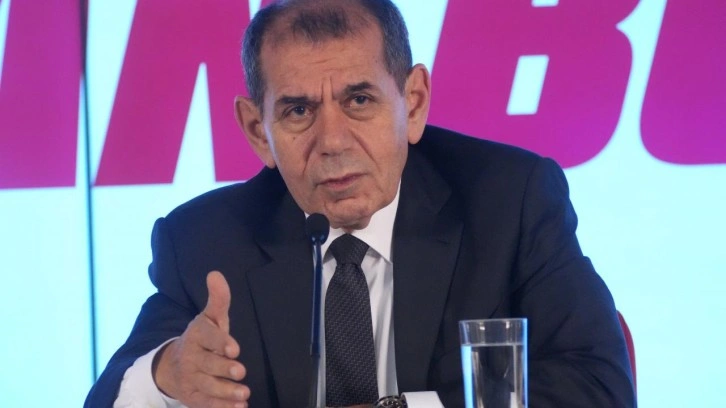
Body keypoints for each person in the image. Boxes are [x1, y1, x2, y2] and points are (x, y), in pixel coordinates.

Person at [85, 0, 636, 407]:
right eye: (298, 111)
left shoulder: (509, 200)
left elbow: (600, 386)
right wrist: (166, 376)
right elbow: (110, 396)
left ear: (413, 103)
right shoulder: (205, 240)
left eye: (359, 100)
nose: (332, 141)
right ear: (257, 131)